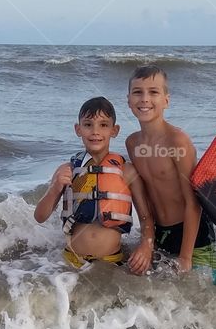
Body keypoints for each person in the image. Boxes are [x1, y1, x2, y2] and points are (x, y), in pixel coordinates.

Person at [34, 96, 154, 274]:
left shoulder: (127, 171)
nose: (95, 131)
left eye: (103, 125)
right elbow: (40, 216)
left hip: (112, 263)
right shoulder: (67, 170)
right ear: (78, 129)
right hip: (71, 263)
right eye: (88, 125)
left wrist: (146, 246)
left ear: (114, 130)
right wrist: (55, 189)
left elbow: (146, 218)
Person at [124, 65, 216, 283]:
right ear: (128, 100)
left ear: (166, 100)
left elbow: (193, 202)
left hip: (195, 239)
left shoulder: (177, 141)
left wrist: (186, 257)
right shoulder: (132, 143)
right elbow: (146, 197)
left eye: (154, 92)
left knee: (194, 296)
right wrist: (147, 242)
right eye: (137, 92)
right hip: (161, 236)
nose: (145, 99)